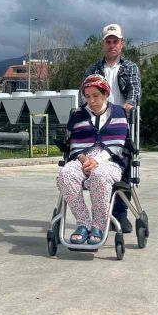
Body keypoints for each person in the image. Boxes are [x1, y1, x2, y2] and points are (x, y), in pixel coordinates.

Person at [56, 74, 129, 245]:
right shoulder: (79, 114)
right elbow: (74, 144)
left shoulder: (118, 112)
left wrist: (97, 161)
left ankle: (98, 225)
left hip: (111, 161)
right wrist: (84, 160)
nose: (91, 100)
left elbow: (118, 144)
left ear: (105, 94)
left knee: (100, 176)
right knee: (65, 174)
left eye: (96, 95)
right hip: (83, 159)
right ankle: (83, 223)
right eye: (87, 96)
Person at [84, 23, 140, 233]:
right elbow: (85, 92)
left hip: (121, 123)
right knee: (96, 165)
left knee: (122, 166)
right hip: (98, 123)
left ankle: (120, 214)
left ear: (121, 44)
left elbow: (135, 90)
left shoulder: (130, 68)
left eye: (115, 41)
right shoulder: (94, 69)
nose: (112, 45)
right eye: (108, 41)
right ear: (103, 44)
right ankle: (101, 213)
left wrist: (130, 103)